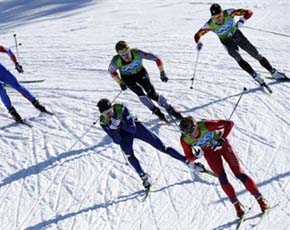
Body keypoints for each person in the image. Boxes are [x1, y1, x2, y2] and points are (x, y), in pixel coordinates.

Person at [179, 116, 269, 218]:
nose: (191, 135)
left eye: (192, 130)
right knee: (222, 178)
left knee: (238, 173)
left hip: (223, 147)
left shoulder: (206, 125)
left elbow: (229, 124)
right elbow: (188, 157)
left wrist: (222, 139)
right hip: (210, 153)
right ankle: (237, 206)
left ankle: (260, 200)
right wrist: (196, 156)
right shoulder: (185, 139)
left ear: (196, 126)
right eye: (187, 133)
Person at [97, 98, 186, 189]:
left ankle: (186, 160)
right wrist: (114, 130)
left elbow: (133, 129)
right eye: (105, 114)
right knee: (129, 155)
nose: (108, 115)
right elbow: (117, 141)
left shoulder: (121, 108)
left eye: (109, 111)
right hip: (123, 136)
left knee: (162, 147)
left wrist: (121, 124)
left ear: (112, 107)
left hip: (136, 128)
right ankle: (143, 176)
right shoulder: (103, 122)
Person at [194, 3, 287, 87]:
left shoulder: (229, 13)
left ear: (222, 13)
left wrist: (242, 20)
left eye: (220, 16)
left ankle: (273, 72)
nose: (218, 19)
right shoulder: (209, 25)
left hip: (237, 35)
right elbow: (197, 35)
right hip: (226, 41)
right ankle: (255, 76)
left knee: (255, 54)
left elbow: (249, 12)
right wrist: (198, 43)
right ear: (212, 17)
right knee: (238, 58)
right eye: (215, 17)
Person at [108, 41, 183, 122]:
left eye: (127, 52)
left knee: (152, 94)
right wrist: (120, 82)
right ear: (119, 55)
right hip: (127, 78)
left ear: (129, 49)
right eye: (123, 55)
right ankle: (156, 111)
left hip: (140, 73)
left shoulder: (137, 53)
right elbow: (111, 71)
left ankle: (170, 109)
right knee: (140, 94)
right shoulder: (116, 61)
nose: (126, 56)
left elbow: (157, 59)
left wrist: (162, 72)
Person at [0, 44, 48, 122]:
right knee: (1, 89)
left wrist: (16, 63)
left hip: (1, 71)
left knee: (16, 85)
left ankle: (35, 103)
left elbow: (8, 50)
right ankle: (12, 111)